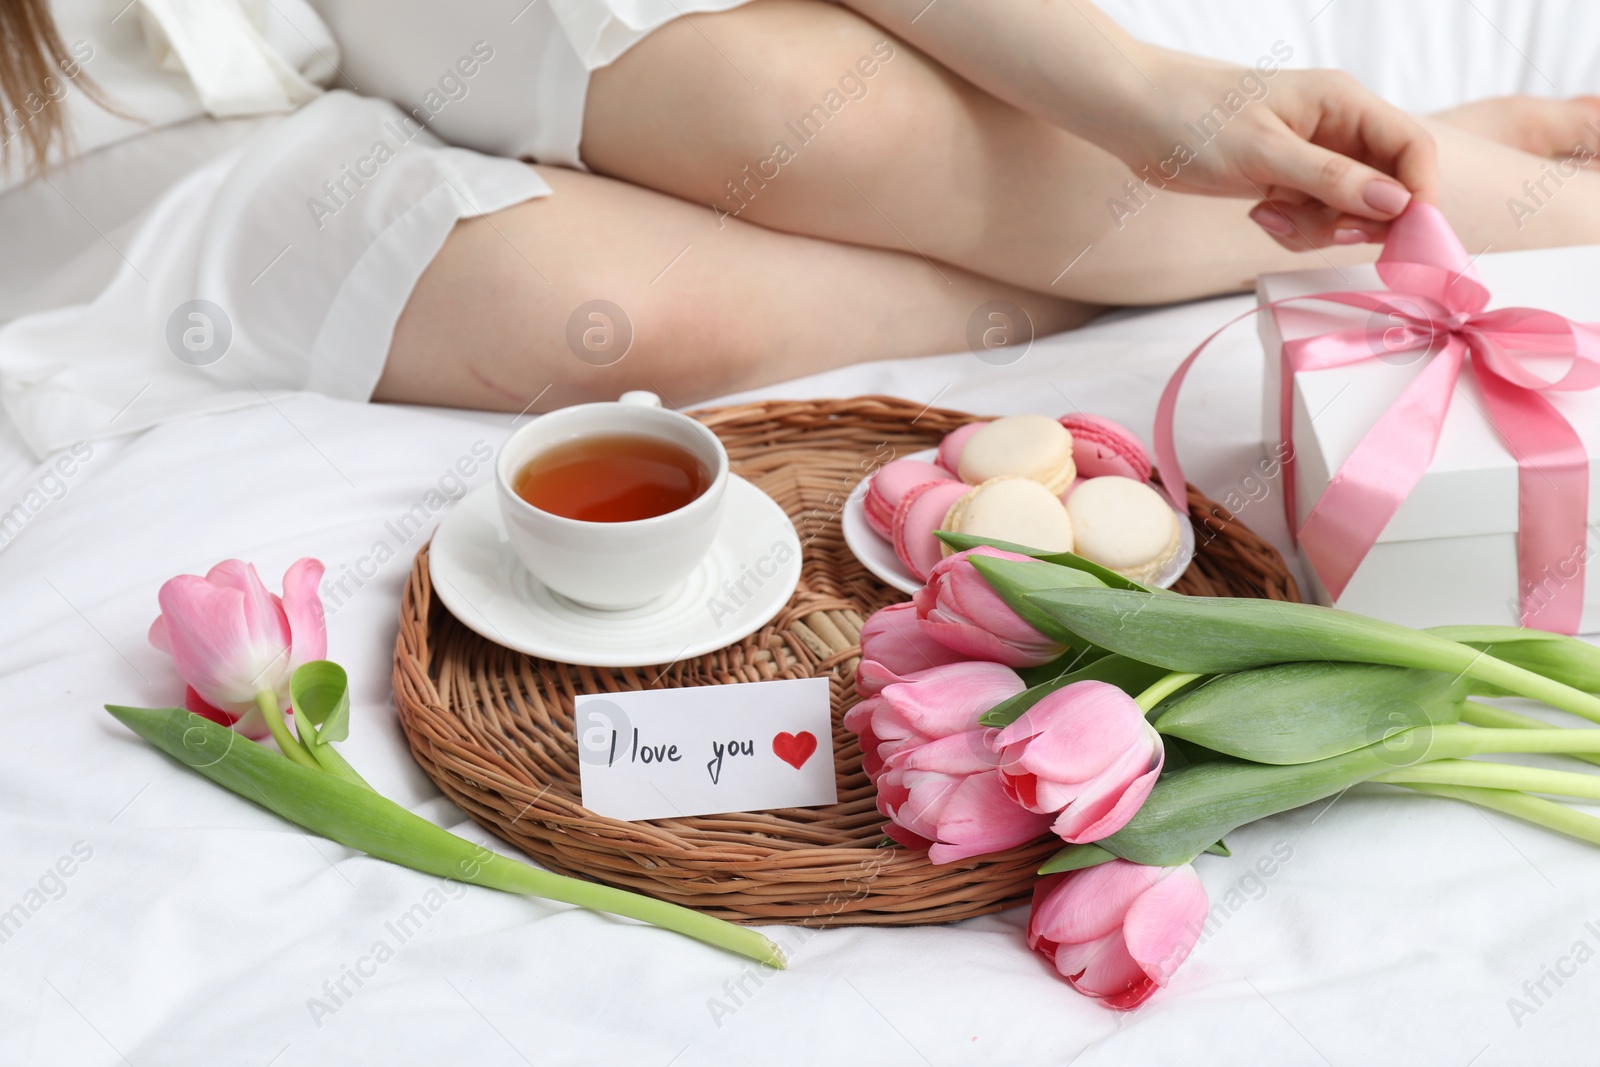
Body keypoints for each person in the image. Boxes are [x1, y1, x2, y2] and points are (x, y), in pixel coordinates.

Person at [2, 0, 1599, 456]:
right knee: (602, 315)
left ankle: (1468, 184)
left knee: (785, 105)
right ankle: (1409, 188)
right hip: (86, 139)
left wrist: (1133, 86)